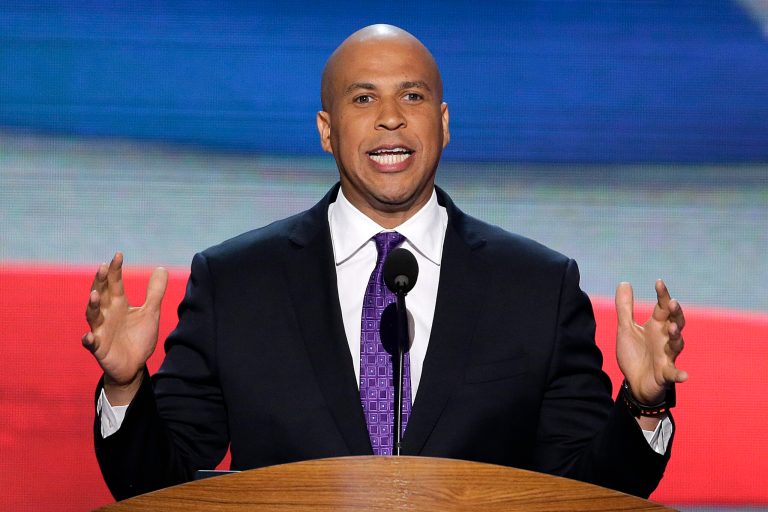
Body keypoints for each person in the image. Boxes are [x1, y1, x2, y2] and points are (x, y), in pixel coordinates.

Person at [83, 24, 687, 501]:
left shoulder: (537, 287)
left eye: (413, 96)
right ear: (327, 130)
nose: (391, 116)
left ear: (444, 124)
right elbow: (152, 488)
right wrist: (125, 384)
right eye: (364, 97)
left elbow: (592, 493)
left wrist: (643, 403)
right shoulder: (237, 283)